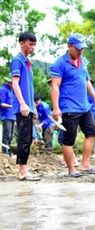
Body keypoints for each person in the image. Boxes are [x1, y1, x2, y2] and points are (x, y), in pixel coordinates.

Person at [50, 33, 95, 177]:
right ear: (69, 47)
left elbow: (86, 81)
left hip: (85, 106)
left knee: (91, 134)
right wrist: (56, 108)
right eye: (78, 49)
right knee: (69, 140)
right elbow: (55, 87)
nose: (80, 51)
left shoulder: (82, 61)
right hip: (69, 108)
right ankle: (71, 169)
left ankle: (85, 165)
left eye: (82, 49)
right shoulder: (59, 64)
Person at [11, 31, 40, 181]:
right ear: (22, 43)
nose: (33, 47)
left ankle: (24, 169)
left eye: (34, 44)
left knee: (27, 139)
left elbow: (29, 89)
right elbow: (15, 84)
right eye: (30, 44)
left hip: (29, 107)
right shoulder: (18, 60)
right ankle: (22, 172)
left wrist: (33, 108)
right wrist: (22, 103)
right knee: (23, 139)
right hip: (21, 107)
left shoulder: (28, 63)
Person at [0, 76, 16, 156]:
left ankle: (8, 151)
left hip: (12, 116)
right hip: (6, 116)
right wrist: (11, 106)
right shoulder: (3, 90)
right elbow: (1, 103)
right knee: (7, 135)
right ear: (8, 82)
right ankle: (5, 151)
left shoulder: (11, 91)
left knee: (11, 135)